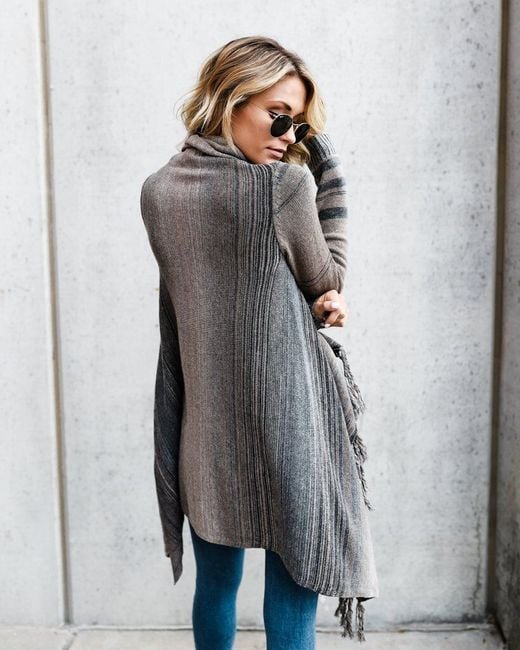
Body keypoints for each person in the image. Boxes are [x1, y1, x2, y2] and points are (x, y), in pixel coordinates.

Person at [140, 36, 379, 649]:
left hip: (205, 430)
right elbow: (326, 276)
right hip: (288, 424)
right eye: (278, 115)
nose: (288, 136)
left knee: (215, 586)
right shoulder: (285, 187)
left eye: (299, 126)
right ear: (230, 98)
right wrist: (327, 163)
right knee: (295, 582)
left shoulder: (158, 191)